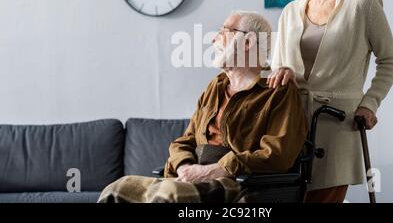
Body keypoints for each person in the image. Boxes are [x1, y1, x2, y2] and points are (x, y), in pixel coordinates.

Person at [98, 11, 307, 203]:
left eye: (224, 31)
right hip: (191, 175)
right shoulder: (215, 86)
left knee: (168, 195)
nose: (214, 39)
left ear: (248, 41)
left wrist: (218, 169)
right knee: (118, 188)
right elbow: (185, 140)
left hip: (237, 182)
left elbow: (278, 154)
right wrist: (186, 167)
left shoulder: (278, 90)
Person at [267, 0, 393, 203]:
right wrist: (283, 71)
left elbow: (389, 60)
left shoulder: (362, 1)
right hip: (290, 125)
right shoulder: (290, 11)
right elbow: (277, 66)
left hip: (338, 125)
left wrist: (369, 103)